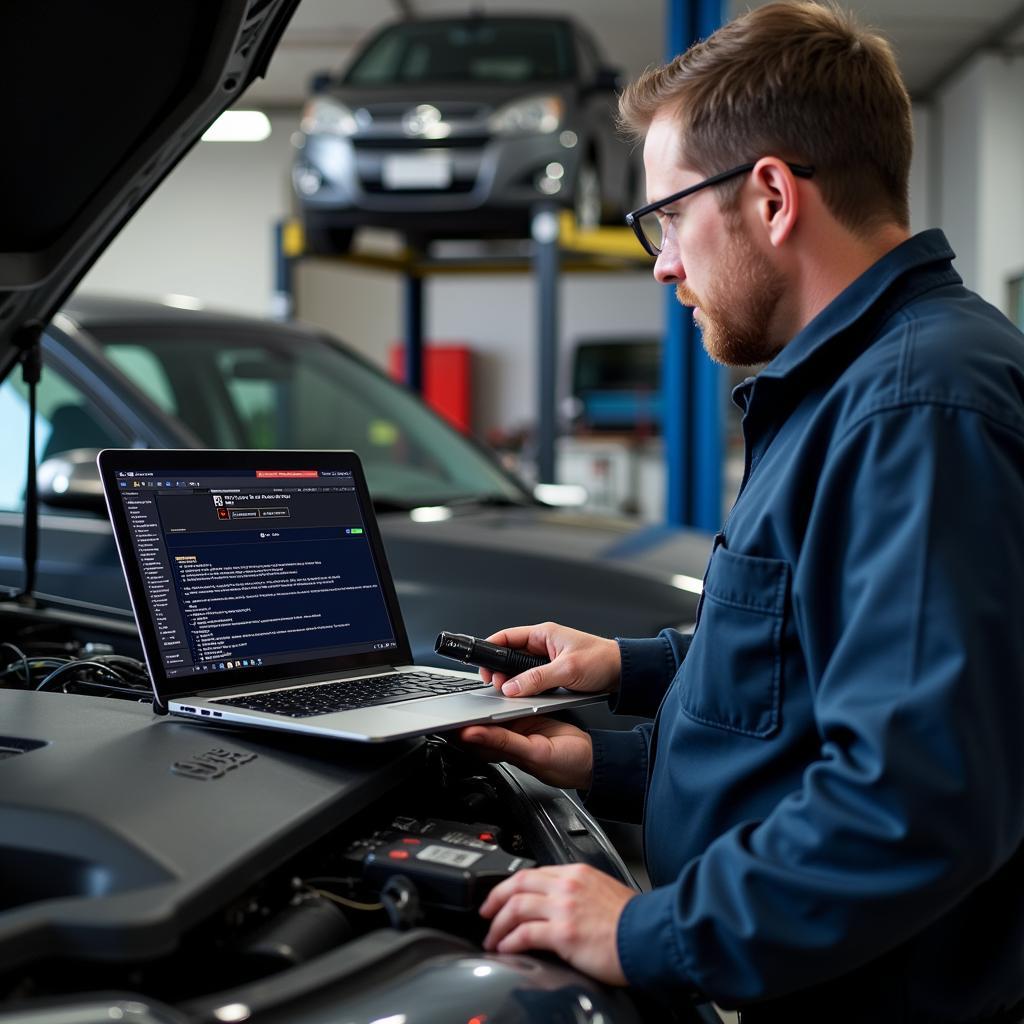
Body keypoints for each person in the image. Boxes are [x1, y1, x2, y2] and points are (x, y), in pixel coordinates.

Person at [458, 3, 1024, 1021]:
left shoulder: (914, 408)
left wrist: (641, 930)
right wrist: (616, 714)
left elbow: (914, 804)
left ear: (768, 195)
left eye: (667, 217)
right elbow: (813, 669)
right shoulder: (854, 388)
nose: (663, 263)